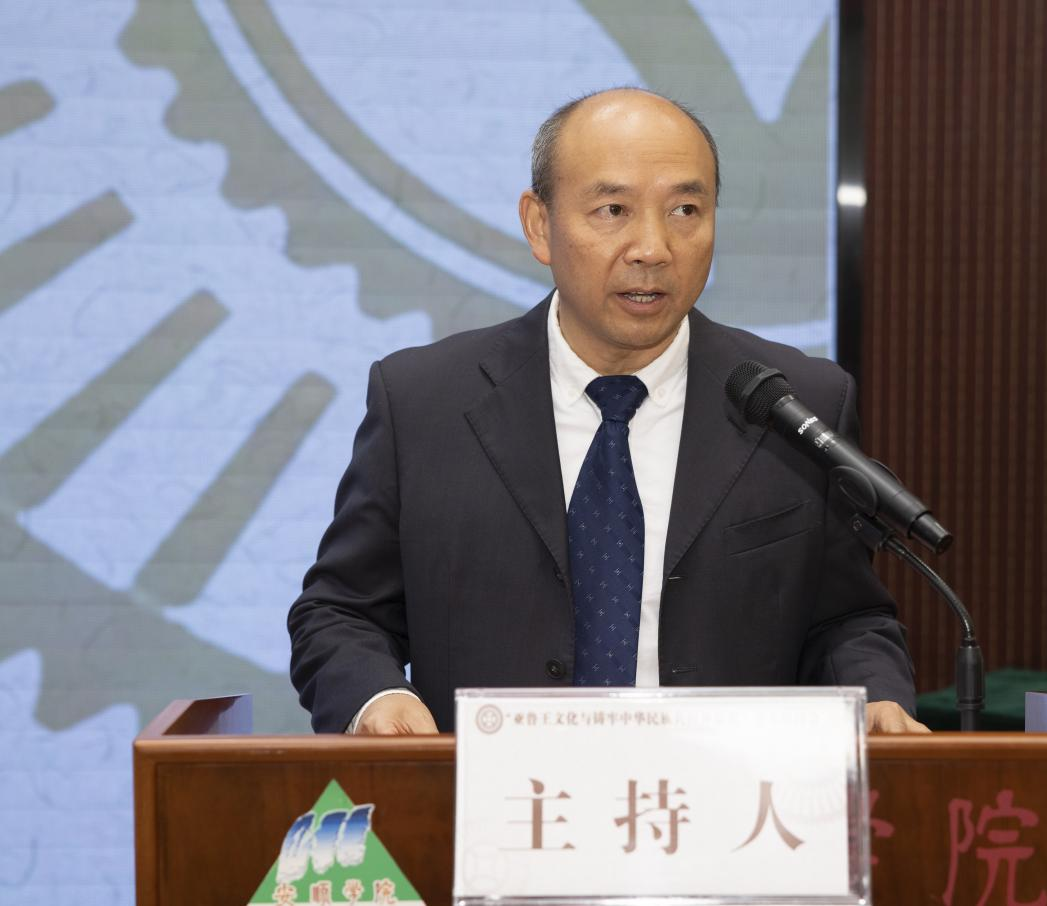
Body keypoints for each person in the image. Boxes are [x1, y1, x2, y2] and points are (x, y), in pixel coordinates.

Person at [288, 87, 928, 736]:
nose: (653, 247)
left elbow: (847, 619)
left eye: (685, 210)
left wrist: (875, 697)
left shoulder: (797, 403)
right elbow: (340, 612)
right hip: (498, 788)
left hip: (720, 788)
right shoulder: (423, 401)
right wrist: (376, 699)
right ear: (540, 225)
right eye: (613, 210)